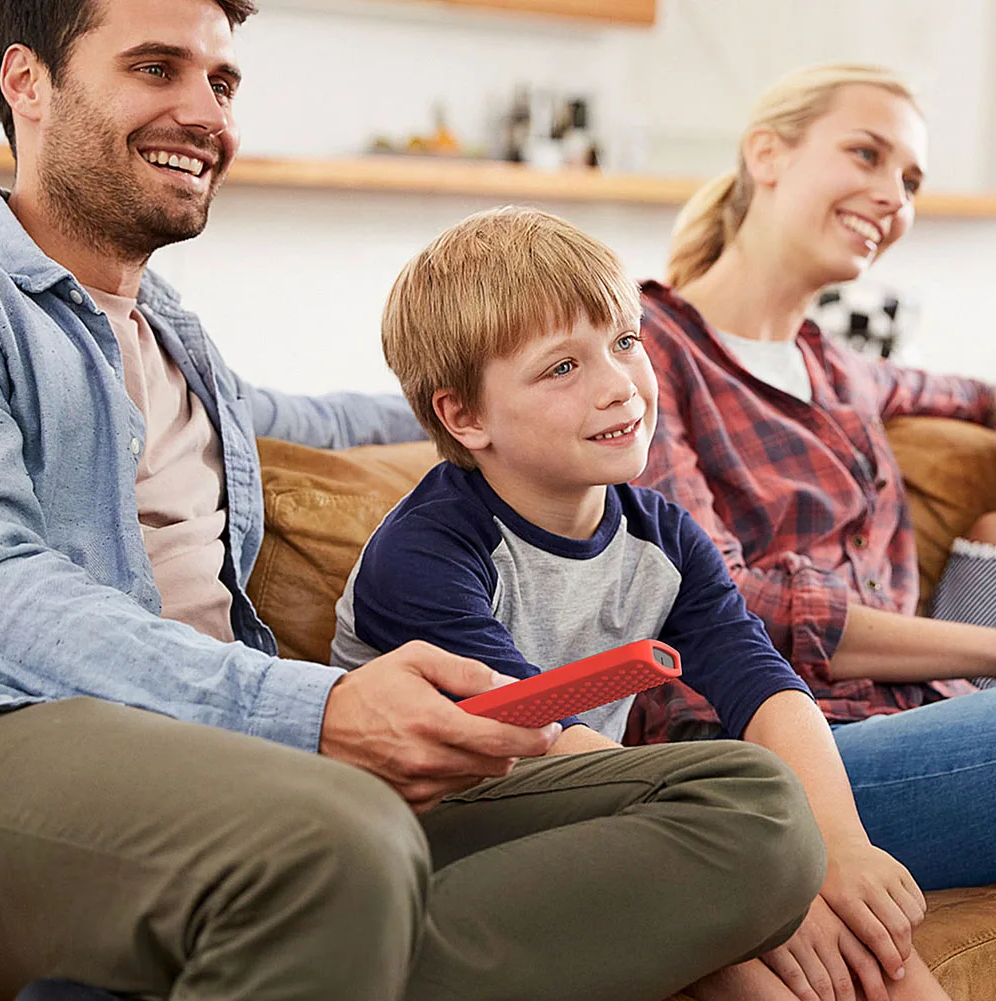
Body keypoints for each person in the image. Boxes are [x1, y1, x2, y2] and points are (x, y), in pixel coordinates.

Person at [0, 1, 827, 999]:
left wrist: (506, 397)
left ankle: (269, 960)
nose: (206, 113)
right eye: (154, 67)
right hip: (47, 727)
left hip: (250, 760)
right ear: (27, 83)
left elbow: (322, 417)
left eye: (220, 82)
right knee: (341, 841)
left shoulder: (175, 336)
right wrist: (314, 708)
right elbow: (7, 592)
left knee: (752, 809)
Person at [331, 205, 950, 1001]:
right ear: (465, 416)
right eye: (563, 366)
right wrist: (760, 883)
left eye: (625, 341)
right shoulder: (424, 553)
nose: (619, 384)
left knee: (866, 931)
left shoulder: (662, 536)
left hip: (607, 811)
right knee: (753, 932)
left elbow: (762, 684)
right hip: (447, 842)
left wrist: (839, 846)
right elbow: (542, 739)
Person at [632, 62, 996, 903]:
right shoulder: (647, 351)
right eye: (866, 154)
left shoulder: (841, 371)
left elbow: (977, 396)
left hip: (911, 720)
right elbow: (723, 600)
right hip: (764, 751)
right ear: (766, 154)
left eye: (910, 181)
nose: (892, 197)